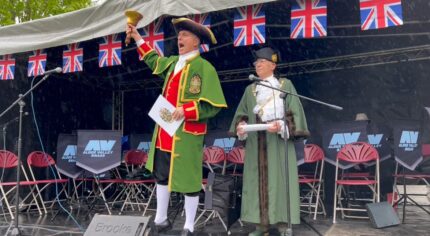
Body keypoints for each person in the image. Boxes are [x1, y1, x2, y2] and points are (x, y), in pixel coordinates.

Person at [126, 18, 227, 235]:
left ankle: (189, 225)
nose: (179, 38)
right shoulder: (172, 63)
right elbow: (153, 60)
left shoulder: (204, 68)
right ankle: (161, 219)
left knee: (190, 181)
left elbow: (214, 105)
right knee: (161, 175)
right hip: (165, 131)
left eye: (185, 35)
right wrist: (137, 37)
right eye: (179, 35)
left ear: (196, 42)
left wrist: (188, 110)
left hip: (187, 135)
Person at [229, 47, 309, 235]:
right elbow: (242, 114)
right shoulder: (250, 90)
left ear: (273, 65)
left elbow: (294, 111)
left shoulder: (284, 85)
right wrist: (241, 127)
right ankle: (260, 226)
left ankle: (282, 225)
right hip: (256, 144)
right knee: (256, 184)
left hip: (278, 143)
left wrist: (282, 126)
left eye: (262, 62)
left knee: (279, 182)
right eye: (256, 63)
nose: (257, 65)